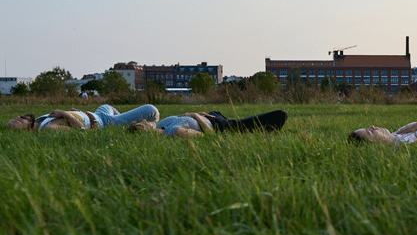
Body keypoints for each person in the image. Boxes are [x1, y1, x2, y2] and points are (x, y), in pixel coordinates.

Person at [129, 109, 287, 137]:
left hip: (212, 117)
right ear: (146, 132)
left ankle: (263, 132)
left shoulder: (162, 123)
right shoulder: (174, 132)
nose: (144, 120)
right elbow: (208, 135)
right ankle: (266, 133)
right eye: (143, 124)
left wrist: (204, 115)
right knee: (280, 115)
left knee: (215, 112)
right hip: (224, 127)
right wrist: (196, 116)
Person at [6, 104, 160, 131]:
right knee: (151, 111)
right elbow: (81, 131)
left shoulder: (40, 120)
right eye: (13, 124)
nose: (16, 118)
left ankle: (131, 126)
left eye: (15, 118)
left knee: (108, 106)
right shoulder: (47, 128)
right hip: (103, 121)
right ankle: (148, 127)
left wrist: (73, 112)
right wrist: (65, 114)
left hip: (97, 112)